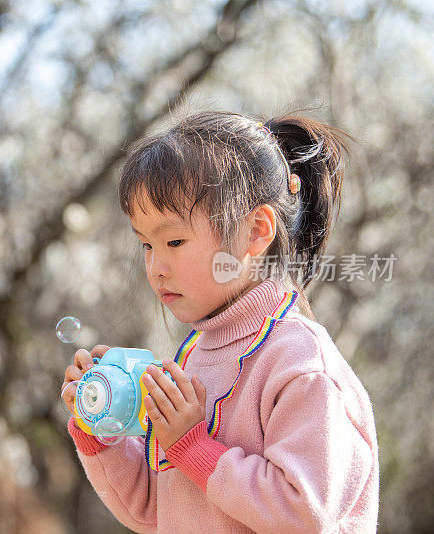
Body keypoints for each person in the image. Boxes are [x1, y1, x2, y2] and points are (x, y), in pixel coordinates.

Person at [61, 111, 379, 533]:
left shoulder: (300, 363)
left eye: (174, 240)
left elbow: (305, 511)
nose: (155, 266)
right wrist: (102, 430)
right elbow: (154, 511)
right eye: (145, 244)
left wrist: (191, 446)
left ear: (256, 231)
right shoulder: (196, 353)